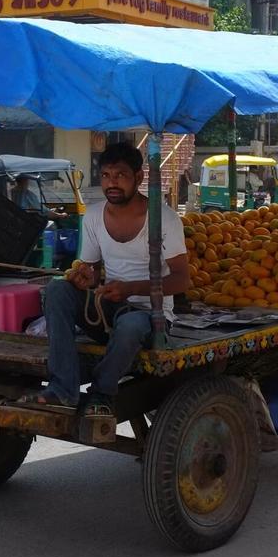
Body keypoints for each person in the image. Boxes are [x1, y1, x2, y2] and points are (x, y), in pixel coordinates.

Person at [20, 143, 189, 416]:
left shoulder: (164, 218)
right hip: (107, 310)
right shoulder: (94, 216)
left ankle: (102, 393)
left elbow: (182, 280)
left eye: (120, 176)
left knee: (131, 325)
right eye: (106, 176)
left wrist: (130, 289)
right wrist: (85, 278)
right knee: (57, 290)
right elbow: (91, 270)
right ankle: (63, 390)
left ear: (138, 177)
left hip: (150, 316)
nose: (112, 183)